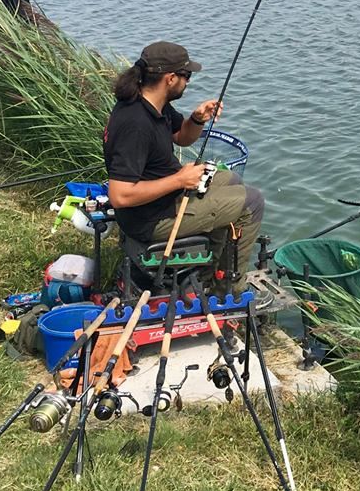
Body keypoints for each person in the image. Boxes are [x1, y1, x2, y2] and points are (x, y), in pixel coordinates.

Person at [103, 41, 265, 300]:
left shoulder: (154, 104)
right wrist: (179, 180)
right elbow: (120, 196)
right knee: (253, 201)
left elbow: (181, 137)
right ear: (169, 78)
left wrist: (198, 118)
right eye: (186, 76)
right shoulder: (135, 123)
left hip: (164, 199)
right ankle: (229, 293)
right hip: (152, 218)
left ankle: (207, 272)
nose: (187, 82)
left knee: (233, 179)